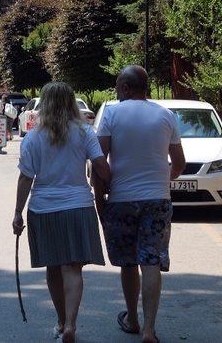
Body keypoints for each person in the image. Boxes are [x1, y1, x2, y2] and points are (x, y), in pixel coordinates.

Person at [12, 82, 111, 343]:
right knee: (73, 269)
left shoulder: (33, 137)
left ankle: (59, 320)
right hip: (78, 206)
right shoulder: (84, 132)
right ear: (70, 103)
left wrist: (17, 213)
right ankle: (71, 324)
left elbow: (25, 179)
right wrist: (112, 184)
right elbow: (100, 164)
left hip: (43, 209)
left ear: (44, 104)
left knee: (53, 269)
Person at [96, 66, 185, 343]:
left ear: (124, 87)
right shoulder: (165, 115)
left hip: (121, 200)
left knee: (128, 262)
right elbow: (179, 163)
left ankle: (132, 319)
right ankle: (149, 330)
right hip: (157, 200)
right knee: (151, 261)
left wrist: (100, 203)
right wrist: (162, 180)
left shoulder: (111, 113)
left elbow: (98, 163)